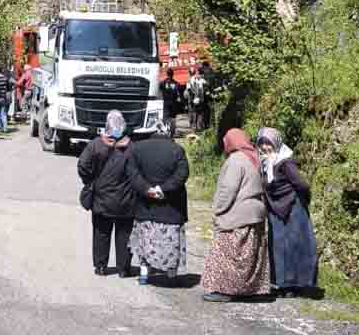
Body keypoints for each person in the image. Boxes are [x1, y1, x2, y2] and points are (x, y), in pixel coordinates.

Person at [201, 129, 271, 302]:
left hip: (237, 215)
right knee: (249, 256)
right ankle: (250, 290)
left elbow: (228, 190)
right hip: (256, 213)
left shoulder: (235, 161)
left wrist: (218, 209)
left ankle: (225, 291)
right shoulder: (255, 158)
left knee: (226, 254)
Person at [126, 118, 190, 285]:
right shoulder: (178, 150)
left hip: (145, 205)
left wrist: (147, 189)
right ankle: (171, 275)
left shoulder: (138, 148)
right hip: (171, 206)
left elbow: (132, 173)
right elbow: (182, 175)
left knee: (145, 240)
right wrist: (163, 189)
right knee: (170, 242)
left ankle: (144, 273)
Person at [257, 127, 318, 295]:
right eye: (261, 143)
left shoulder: (285, 162)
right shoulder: (264, 162)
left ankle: (297, 285)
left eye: (268, 143)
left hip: (293, 209)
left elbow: (302, 185)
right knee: (279, 247)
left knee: (295, 245)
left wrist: (303, 201)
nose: (264, 147)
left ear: (276, 143)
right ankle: (281, 284)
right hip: (276, 212)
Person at [78, 111, 137, 278]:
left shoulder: (96, 145)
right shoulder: (131, 147)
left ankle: (101, 267)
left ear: (107, 125)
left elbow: (82, 166)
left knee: (101, 233)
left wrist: (90, 181)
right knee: (124, 234)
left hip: (101, 198)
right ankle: (124, 268)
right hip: (126, 199)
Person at [161, 68, 183, 137]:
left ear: (167, 74)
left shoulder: (163, 83)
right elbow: (178, 93)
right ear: (173, 74)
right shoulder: (176, 83)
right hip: (173, 103)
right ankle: (172, 133)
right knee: (173, 118)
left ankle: (166, 132)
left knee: (166, 118)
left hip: (166, 103)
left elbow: (160, 91)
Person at [187, 66, 210, 132]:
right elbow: (206, 87)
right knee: (198, 113)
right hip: (198, 99)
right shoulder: (199, 80)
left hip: (197, 99)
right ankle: (196, 126)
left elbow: (190, 90)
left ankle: (195, 127)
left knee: (196, 113)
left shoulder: (192, 79)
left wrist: (193, 99)